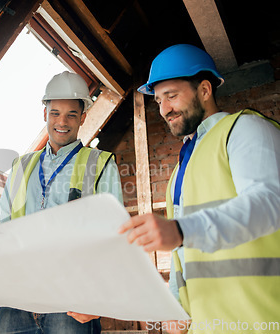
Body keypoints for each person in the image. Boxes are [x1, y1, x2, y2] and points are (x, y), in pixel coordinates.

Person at [118, 44, 280, 333]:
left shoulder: (245, 129)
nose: (164, 109)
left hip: (260, 320)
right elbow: (183, 256)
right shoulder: (181, 169)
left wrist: (182, 230)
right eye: (158, 101)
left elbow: (269, 204)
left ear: (204, 90)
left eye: (171, 96)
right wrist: (176, 305)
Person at [0, 71, 123, 334]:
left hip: (72, 297)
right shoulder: (21, 166)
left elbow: (115, 235)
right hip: (20, 295)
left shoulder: (99, 164)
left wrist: (101, 298)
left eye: (71, 114)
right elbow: (5, 228)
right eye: (55, 113)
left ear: (82, 117)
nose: (61, 122)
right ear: (45, 114)